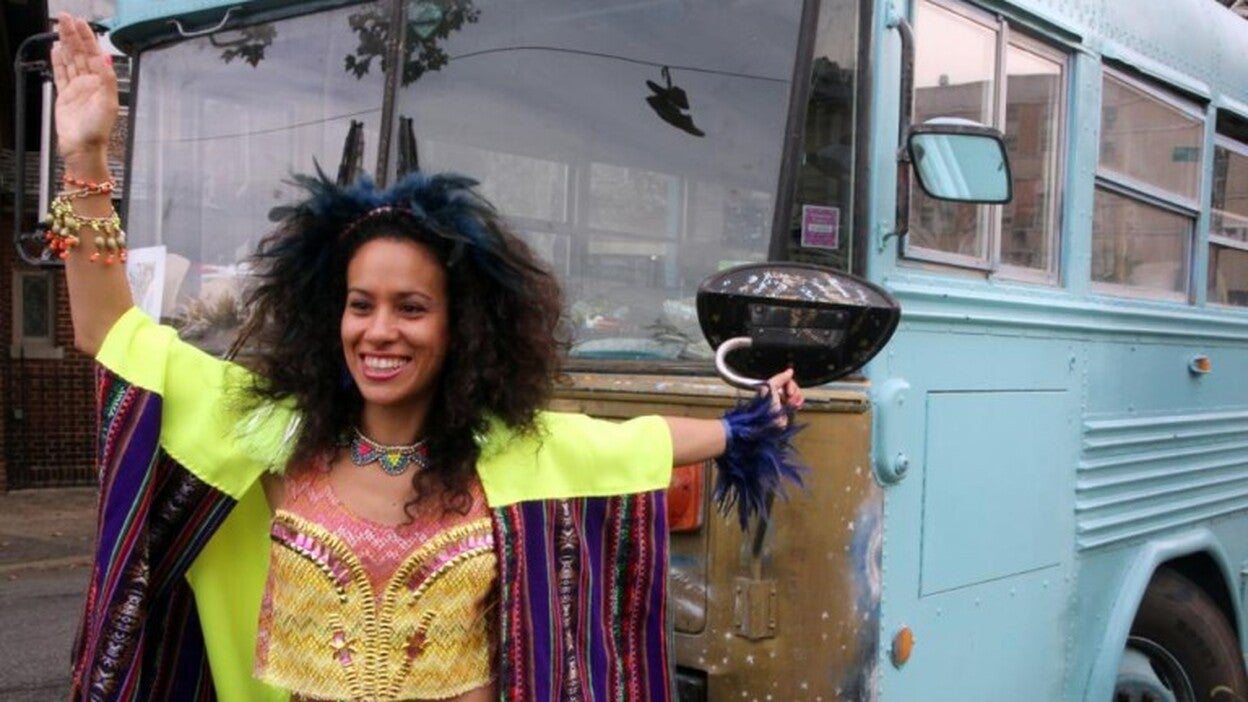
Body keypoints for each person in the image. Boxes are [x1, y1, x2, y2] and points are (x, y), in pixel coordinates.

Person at [51, 13, 804, 702]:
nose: (380, 331)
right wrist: (85, 155)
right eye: (361, 304)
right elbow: (109, 331)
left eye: (411, 308)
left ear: (461, 328)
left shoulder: (512, 454)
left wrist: (749, 424)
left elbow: (636, 443)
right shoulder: (268, 437)